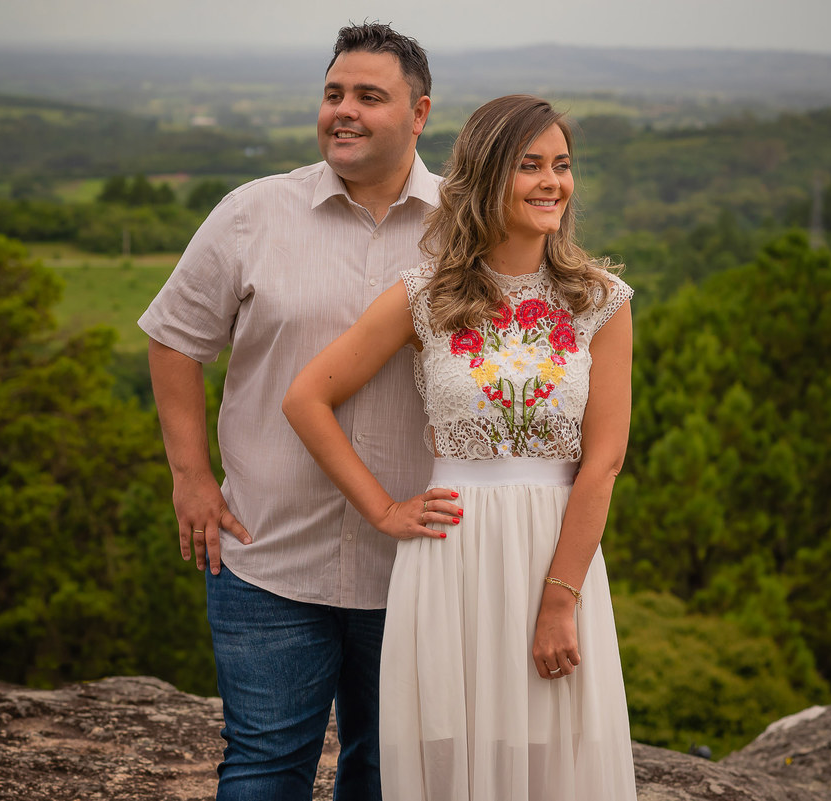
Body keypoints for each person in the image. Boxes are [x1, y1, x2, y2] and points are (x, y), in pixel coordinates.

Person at [283, 94, 639, 800]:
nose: (552, 183)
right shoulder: (426, 295)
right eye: (529, 165)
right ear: (485, 176)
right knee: (452, 756)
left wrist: (559, 601)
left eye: (562, 166)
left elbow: (603, 461)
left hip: (555, 552)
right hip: (450, 560)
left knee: (552, 754)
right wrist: (384, 509)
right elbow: (305, 399)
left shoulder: (599, 300)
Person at [138, 23, 438, 801]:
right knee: (263, 770)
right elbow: (173, 340)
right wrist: (190, 476)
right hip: (265, 553)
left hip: (418, 566)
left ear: (420, 113)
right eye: (333, 93)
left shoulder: (468, 228)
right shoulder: (252, 213)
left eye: (370, 96)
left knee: (391, 773)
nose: (344, 110)